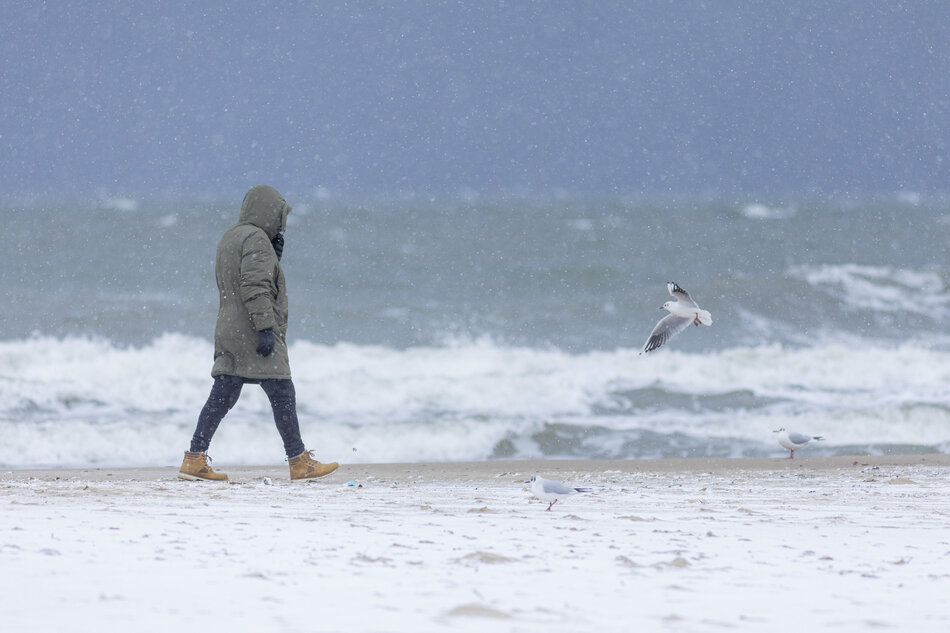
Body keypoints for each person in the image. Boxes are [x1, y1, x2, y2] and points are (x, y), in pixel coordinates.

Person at [179, 185, 339, 482]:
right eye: (279, 217)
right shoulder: (256, 239)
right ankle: (299, 461)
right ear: (268, 212)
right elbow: (255, 286)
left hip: (229, 328)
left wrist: (273, 257)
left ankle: (194, 458)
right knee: (282, 391)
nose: (281, 224)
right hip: (252, 329)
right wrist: (266, 328)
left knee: (223, 394)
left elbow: (242, 279)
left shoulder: (232, 236)